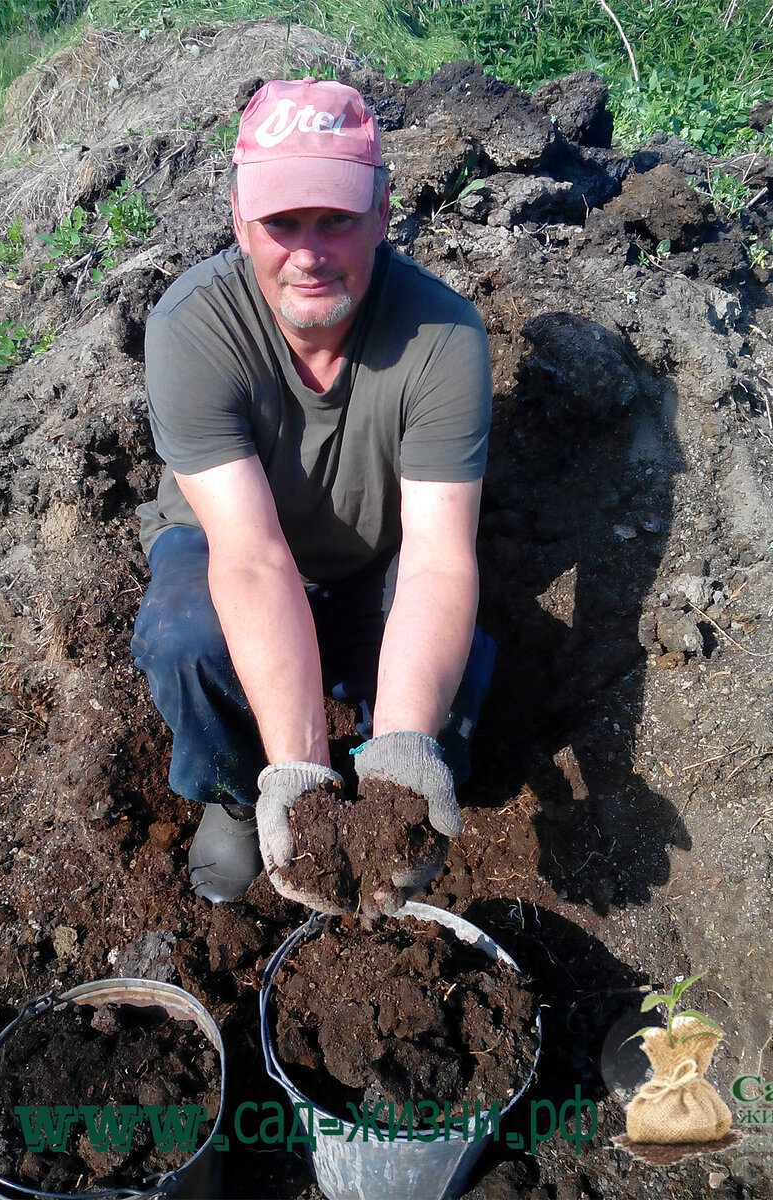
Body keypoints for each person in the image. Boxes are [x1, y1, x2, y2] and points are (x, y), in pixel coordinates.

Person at [131, 77, 495, 914]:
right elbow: (252, 559)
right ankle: (238, 790)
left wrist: (404, 753)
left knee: (461, 673)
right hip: (233, 547)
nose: (308, 251)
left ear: (382, 212)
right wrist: (298, 770)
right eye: (281, 223)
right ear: (238, 221)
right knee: (184, 641)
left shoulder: (444, 336)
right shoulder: (193, 329)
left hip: (378, 557)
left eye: (335, 219)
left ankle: (386, 779)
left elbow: (439, 556)